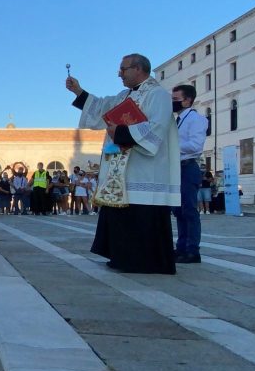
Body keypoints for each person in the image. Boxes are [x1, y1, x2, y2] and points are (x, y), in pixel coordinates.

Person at [66, 53, 179, 274]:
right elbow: (101, 108)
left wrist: (121, 132)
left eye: (123, 69)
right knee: (122, 216)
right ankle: (122, 257)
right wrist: (78, 91)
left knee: (141, 215)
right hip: (121, 170)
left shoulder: (158, 95)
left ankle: (146, 262)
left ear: (138, 69)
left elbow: (157, 127)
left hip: (145, 169)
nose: (119, 73)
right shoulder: (123, 96)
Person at [172, 84, 208, 264]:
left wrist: (172, 146)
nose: (173, 103)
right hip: (176, 168)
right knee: (178, 211)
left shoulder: (197, 120)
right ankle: (181, 247)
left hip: (187, 167)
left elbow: (195, 146)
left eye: (176, 99)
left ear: (187, 100)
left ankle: (193, 249)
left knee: (189, 210)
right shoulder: (177, 120)